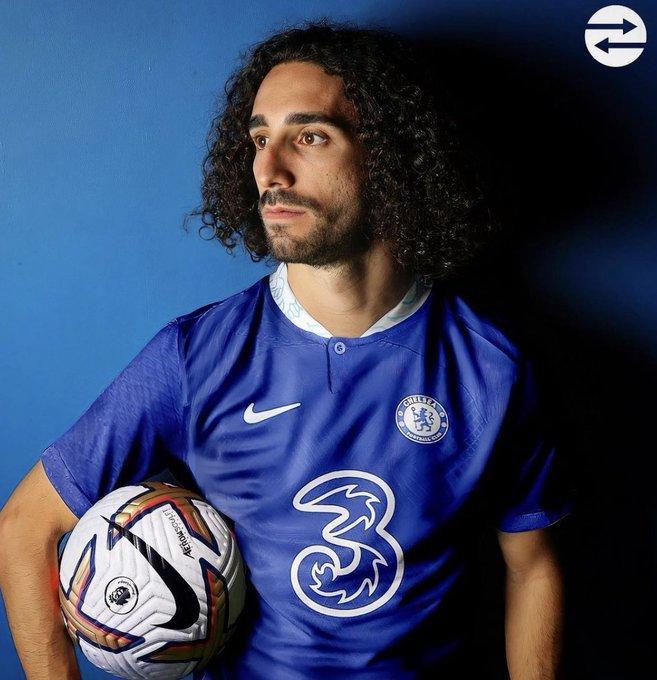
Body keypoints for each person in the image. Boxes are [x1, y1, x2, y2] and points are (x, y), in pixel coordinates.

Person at [0, 20, 573, 680]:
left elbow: (532, 568)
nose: (269, 171)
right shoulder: (195, 356)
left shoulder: (490, 367)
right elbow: (26, 527)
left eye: (309, 136)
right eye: (258, 139)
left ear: (389, 157)